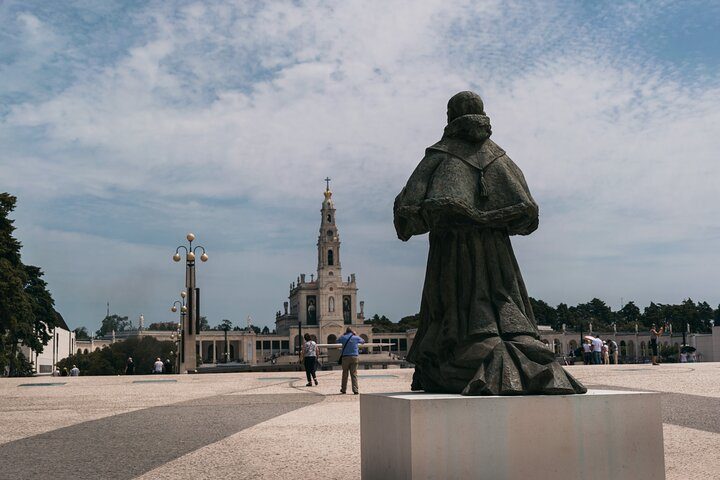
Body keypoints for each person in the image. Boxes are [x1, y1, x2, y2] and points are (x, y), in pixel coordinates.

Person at [393, 91, 586, 395]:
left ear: (450, 117)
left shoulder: (439, 157)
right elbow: (526, 213)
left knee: (459, 309)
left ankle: (472, 351)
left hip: (453, 253)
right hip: (498, 254)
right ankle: (515, 346)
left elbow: (407, 213)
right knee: (503, 302)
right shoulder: (500, 158)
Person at [338, 327, 364, 394]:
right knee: (354, 374)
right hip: (354, 357)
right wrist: (355, 335)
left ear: (346, 331)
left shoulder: (343, 337)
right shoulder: (356, 337)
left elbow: (337, 340)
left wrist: (343, 335)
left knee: (345, 374)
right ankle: (355, 390)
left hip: (345, 357)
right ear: (352, 331)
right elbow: (363, 341)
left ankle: (343, 389)